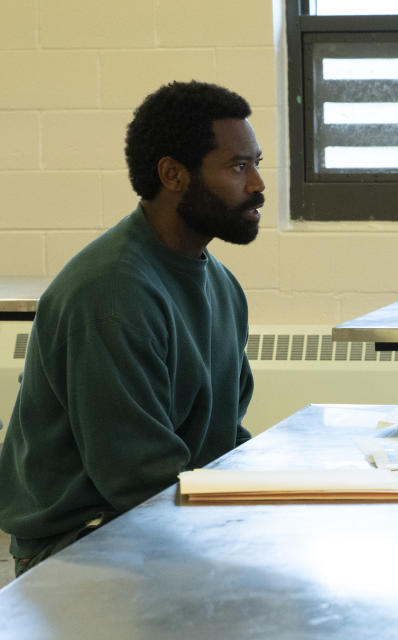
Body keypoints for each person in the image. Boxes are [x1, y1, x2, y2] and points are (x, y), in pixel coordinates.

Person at [0, 81, 264, 576]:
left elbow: (223, 440)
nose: (256, 184)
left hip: (160, 520)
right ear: (173, 174)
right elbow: (138, 479)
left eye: (256, 163)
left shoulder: (221, 285)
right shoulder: (112, 294)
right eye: (237, 166)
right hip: (84, 541)